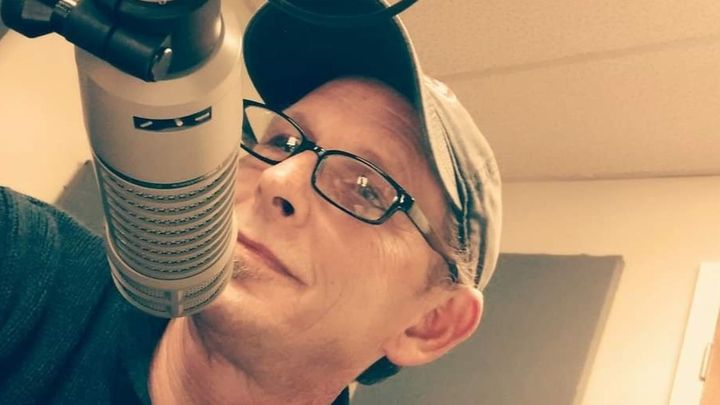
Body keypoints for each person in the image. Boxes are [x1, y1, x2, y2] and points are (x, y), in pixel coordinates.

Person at [0, 1, 501, 404]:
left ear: (429, 324)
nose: (279, 180)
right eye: (283, 142)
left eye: (367, 188)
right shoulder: (29, 264)